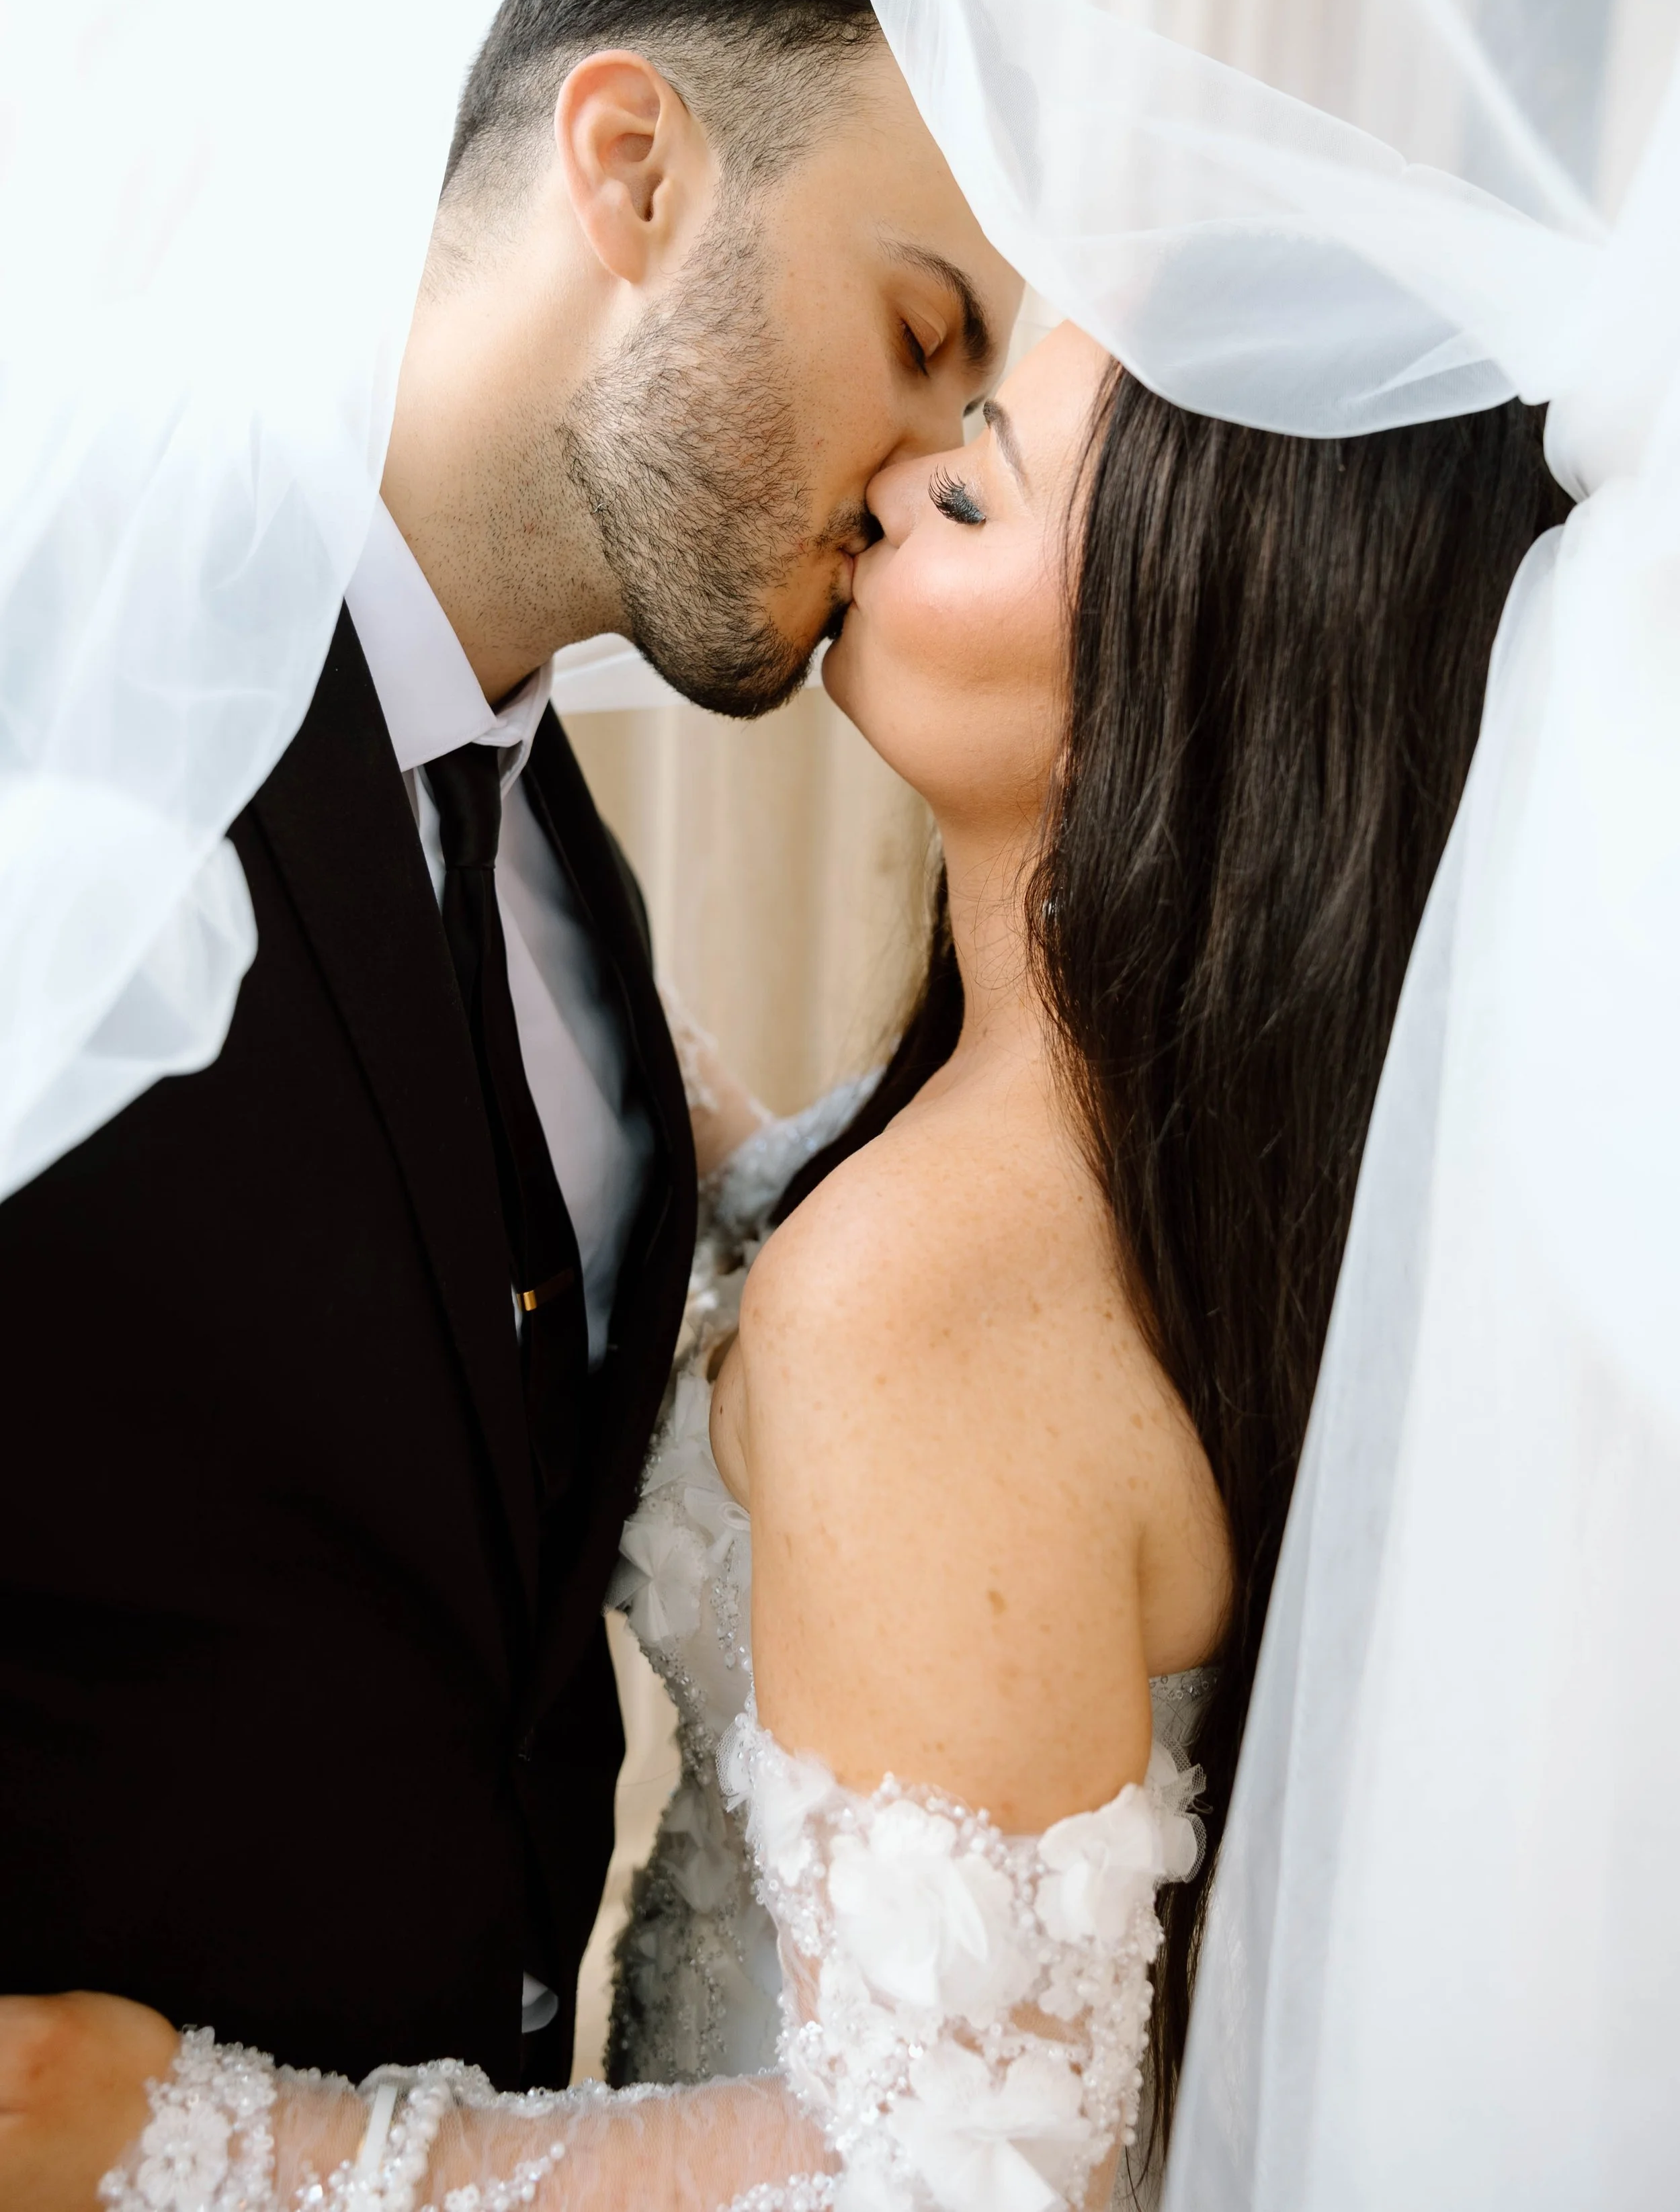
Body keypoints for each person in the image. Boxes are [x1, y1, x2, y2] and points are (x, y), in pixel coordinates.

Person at [0, 318, 1569, 2212]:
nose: (887, 481)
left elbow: (945, 2179)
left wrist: (191, 2134)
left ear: (1188, 685)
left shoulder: (928, 1290)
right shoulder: (1191, 1179)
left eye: (972, 480)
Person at [0, 0, 1018, 2097]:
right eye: (919, 325)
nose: (934, 466)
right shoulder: (55, 692)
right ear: (629, 166)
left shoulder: (570, 885)